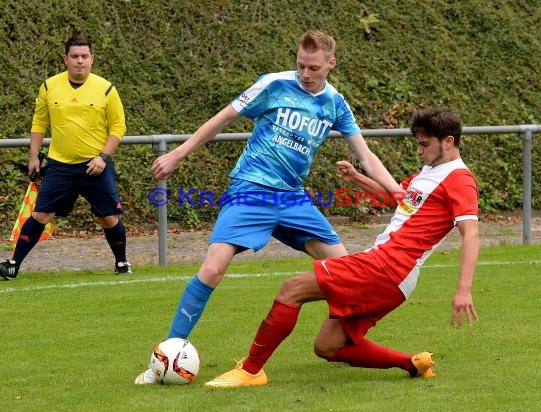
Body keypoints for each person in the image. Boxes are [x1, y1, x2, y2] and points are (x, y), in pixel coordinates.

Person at [134, 29, 400, 384]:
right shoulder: (274, 84)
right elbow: (223, 117)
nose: (306, 74)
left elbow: (365, 154)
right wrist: (178, 153)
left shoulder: (335, 103)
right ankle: (167, 356)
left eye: (314, 68)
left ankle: (345, 344)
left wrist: (397, 191)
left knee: (345, 272)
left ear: (331, 64)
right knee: (213, 269)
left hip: (292, 197)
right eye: (301, 65)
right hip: (250, 189)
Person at [204, 106, 480, 387]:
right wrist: (357, 178)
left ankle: (251, 371)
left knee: (292, 289)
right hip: (392, 274)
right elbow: (401, 201)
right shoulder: (430, 172)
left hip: (389, 267)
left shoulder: (459, 179)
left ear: (448, 141)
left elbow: (471, 234)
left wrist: (463, 290)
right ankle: (412, 363)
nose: (419, 151)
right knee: (328, 346)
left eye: (425, 145)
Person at [0, 32, 131, 280]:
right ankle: (13, 264)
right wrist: (34, 156)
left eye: (84, 56)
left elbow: (118, 128)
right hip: (60, 165)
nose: (79, 61)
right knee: (40, 215)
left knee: (108, 218)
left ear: (92, 59)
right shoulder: (50, 86)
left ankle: (122, 262)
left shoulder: (106, 89)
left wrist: (102, 157)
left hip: (95, 166)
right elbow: (39, 122)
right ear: (66, 59)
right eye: (74, 56)